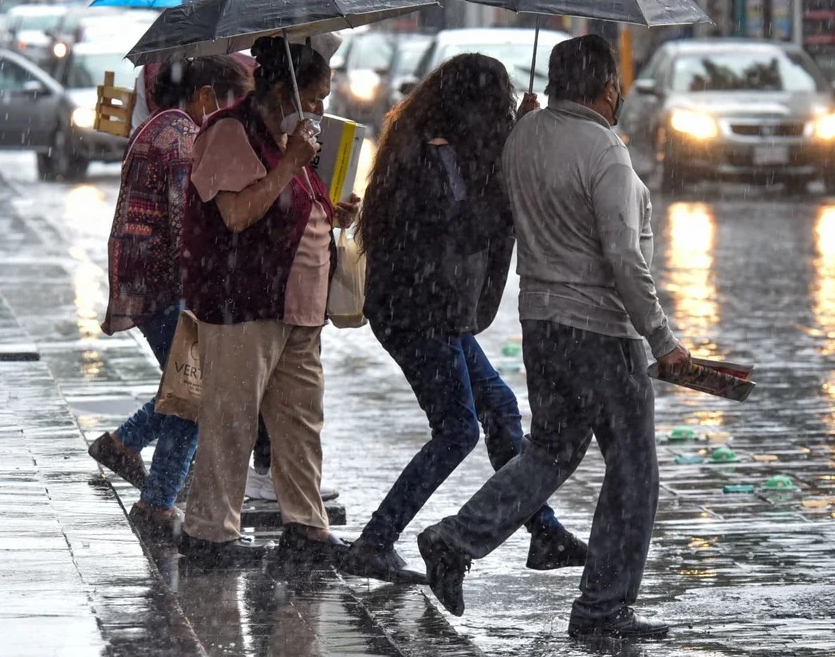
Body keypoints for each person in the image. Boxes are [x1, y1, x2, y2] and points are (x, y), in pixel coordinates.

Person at [417, 34, 691, 641]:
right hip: (600, 330)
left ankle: (456, 538)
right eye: (615, 84)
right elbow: (623, 254)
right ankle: (602, 609)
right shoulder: (605, 151)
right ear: (604, 88)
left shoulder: (524, 138)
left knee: (550, 451)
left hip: (541, 324)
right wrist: (662, 338)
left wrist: (524, 126)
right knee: (633, 469)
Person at [339, 53, 587, 583]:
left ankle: (542, 532)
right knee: (456, 429)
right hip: (417, 313)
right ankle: (376, 541)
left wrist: (516, 138)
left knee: (498, 408)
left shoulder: (442, 147)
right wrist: (509, 169)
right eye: (496, 104)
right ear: (472, 106)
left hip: (432, 310)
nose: (499, 115)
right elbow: (465, 226)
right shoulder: (434, 155)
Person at [178, 36, 358, 568]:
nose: (322, 108)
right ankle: (209, 533)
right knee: (231, 420)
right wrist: (292, 162)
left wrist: (332, 211)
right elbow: (237, 214)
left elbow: (296, 202)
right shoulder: (232, 132)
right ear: (285, 91)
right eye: (316, 97)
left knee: (300, 423)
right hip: (244, 302)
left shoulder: (291, 138)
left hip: (299, 308)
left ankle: (305, 527)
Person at [89, 54, 252, 540]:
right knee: (195, 392)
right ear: (205, 97)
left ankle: (125, 445)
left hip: (146, 281)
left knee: (188, 385)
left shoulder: (159, 125)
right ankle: (156, 499)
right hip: (166, 285)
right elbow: (188, 226)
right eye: (228, 104)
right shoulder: (182, 140)